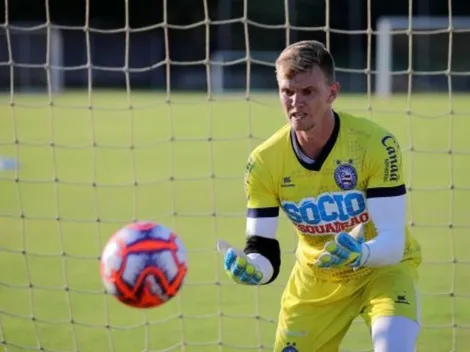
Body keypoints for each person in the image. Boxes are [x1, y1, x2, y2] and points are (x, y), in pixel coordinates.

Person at [217, 40, 422, 352]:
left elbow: (392, 243)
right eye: (287, 91)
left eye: (308, 91)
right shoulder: (263, 161)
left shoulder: (375, 144)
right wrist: (254, 269)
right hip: (317, 278)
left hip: (382, 270)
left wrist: (361, 254)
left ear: (332, 93)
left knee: (393, 347)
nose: (296, 101)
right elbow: (263, 249)